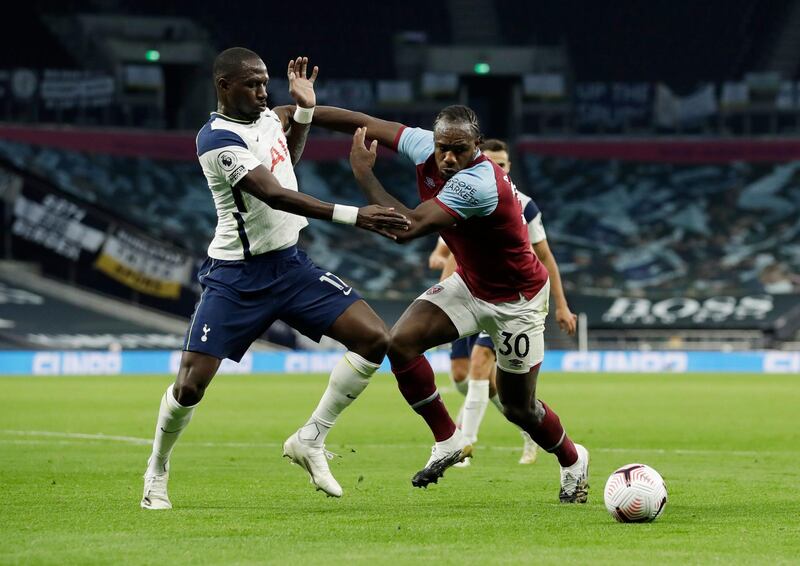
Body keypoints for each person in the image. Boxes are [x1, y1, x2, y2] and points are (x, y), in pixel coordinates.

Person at [140, 48, 410, 509]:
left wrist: (304, 108)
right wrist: (355, 216)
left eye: (267, 82)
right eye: (253, 84)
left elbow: (288, 161)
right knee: (190, 386)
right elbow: (274, 193)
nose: (265, 92)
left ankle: (310, 438)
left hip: (290, 266)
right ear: (225, 86)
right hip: (236, 278)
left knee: (374, 339)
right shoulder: (215, 139)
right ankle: (156, 470)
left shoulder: (269, 118)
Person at [305, 104, 589, 502]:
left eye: (460, 150)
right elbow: (364, 123)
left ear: (478, 147)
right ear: (434, 142)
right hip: (471, 286)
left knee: (518, 408)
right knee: (399, 342)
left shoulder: (478, 182)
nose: (449, 158)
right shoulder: (426, 146)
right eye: (443, 149)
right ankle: (448, 438)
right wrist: (302, 110)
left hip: (517, 302)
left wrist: (364, 174)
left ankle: (574, 461)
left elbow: (408, 229)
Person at [427, 139, 577, 467]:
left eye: (504, 164)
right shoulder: (463, 194)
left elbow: (545, 256)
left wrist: (562, 305)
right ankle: (528, 427)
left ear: (509, 168)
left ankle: (463, 444)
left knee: (481, 364)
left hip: (507, 300)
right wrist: (441, 283)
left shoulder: (524, 206)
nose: (498, 167)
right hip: (468, 293)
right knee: (463, 377)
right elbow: (445, 251)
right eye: (492, 161)